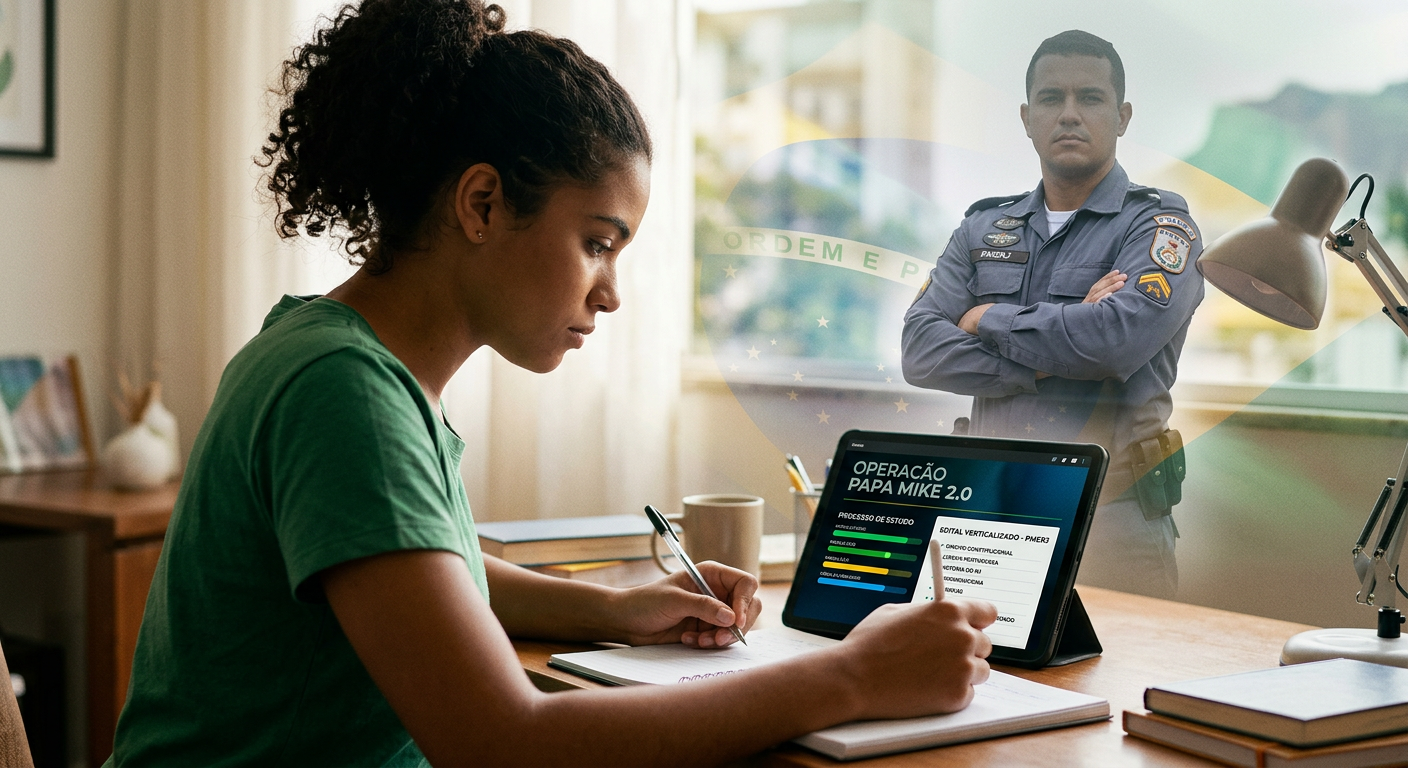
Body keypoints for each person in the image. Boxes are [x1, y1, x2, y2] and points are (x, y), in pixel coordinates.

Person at [105, 2, 997, 766]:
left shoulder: (326, 352)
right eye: (598, 242)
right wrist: (851, 675)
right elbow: (503, 743)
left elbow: (429, 576)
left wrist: (619, 610)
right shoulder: (347, 395)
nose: (609, 293)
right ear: (483, 204)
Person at [901, 30, 1205, 600]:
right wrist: (1042, 364)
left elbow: (1114, 342)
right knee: (988, 681)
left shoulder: (1159, 227)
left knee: (1126, 682)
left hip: (1108, 520)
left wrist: (985, 317)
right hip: (994, 515)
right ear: (1026, 116)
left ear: (1122, 115)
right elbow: (919, 351)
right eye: (1050, 99)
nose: (1069, 114)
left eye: (1090, 98)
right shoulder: (982, 228)